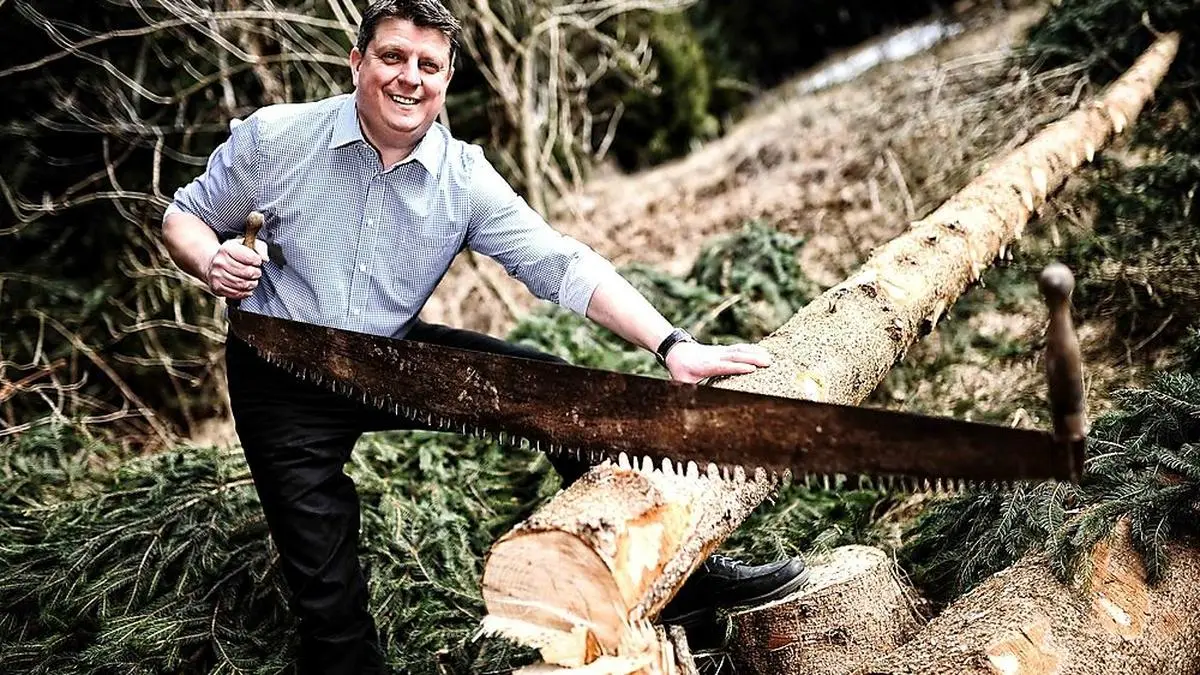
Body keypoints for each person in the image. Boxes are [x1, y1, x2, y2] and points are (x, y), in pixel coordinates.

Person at [162, 1, 807, 671]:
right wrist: (210, 260)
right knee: (329, 606)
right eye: (392, 57)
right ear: (357, 62)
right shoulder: (276, 139)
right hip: (280, 373)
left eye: (428, 64)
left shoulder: (462, 177)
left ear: (446, 79)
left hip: (389, 354)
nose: (409, 77)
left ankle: (681, 584)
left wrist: (672, 345)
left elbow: (561, 264)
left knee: (561, 394)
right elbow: (185, 217)